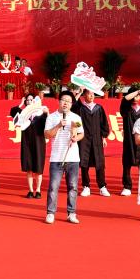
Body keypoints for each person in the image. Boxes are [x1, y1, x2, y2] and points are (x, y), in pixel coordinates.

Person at [43, 91, 84, 224]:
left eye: (68, 101)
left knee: (73, 187)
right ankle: (50, 213)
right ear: (59, 101)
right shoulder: (52, 117)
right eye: (63, 100)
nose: (65, 103)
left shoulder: (76, 118)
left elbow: (81, 133)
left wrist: (75, 138)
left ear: (71, 104)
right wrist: (59, 125)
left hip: (73, 158)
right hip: (56, 158)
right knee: (53, 187)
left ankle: (71, 213)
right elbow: (47, 135)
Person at [10, 94, 49, 198]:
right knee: (29, 167)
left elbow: (48, 123)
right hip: (27, 143)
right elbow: (13, 112)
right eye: (27, 100)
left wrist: (46, 113)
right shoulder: (22, 114)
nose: (29, 101)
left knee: (38, 168)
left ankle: (38, 190)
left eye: (31, 100)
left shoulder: (41, 114)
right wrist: (21, 104)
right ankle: (31, 191)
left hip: (39, 143)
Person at [75, 88, 111, 197]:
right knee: (84, 162)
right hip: (84, 139)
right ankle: (86, 186)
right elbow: (74, 108)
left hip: (97, 139)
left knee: (99, 163)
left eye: (92, 94)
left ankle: (102, 186)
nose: (91, 96)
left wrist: (104, 137)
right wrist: (80, 91)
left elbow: (104, 123)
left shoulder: (98, 108)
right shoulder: (80, 108)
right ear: (84, 95)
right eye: (89, 94)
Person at [118, 86, 140, 196]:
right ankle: (127, 187)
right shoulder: (126, 109)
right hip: (129, 141)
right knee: (126, 164)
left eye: (138, 95)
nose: (136, 97)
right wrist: (138, 91)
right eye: (134, 95)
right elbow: (125, 99)